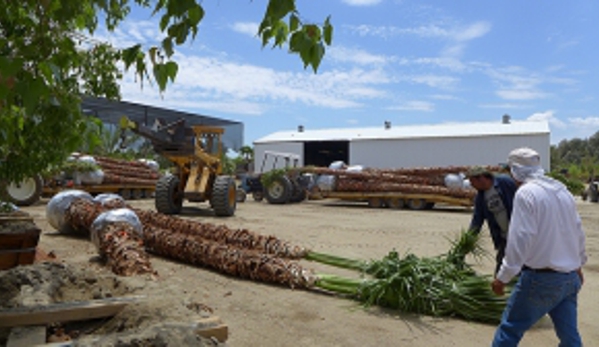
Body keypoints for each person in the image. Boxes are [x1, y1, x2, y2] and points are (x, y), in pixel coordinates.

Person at [491, 147, 587, 346]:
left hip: (541, 279)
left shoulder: (526, 194)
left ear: (515, 171)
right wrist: (578, 264)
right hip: (569, 278)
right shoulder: (562, 191)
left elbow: (521, 239)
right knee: (570, 337)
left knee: (509, 330)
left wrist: (503, 277)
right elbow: (577, 230)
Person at [466, 166, 518, 275]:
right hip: (504, 237)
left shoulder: (505, 182)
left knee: (523, 265)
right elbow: (477, 220)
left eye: (472, 181)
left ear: (481, 178)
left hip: (520, 234)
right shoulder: (481, 197)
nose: (471, 184)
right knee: (501, 268)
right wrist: (468, 241)